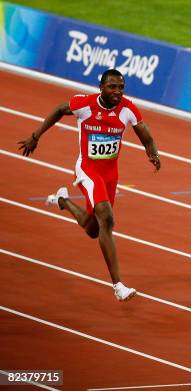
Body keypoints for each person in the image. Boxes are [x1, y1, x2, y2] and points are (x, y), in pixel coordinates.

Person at [18, 69, 161, 302]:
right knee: (107, 218)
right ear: (101, 87)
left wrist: (152, 154)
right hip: (88, 169)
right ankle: (118, 285)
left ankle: (62, 200)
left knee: (94, 229)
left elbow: (145, 135)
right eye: (112, 87)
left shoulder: (128, 108)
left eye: (121, 87)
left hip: (110, 175)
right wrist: (36, 136)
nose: (117, 92)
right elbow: (59, 110)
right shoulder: (84, 104)